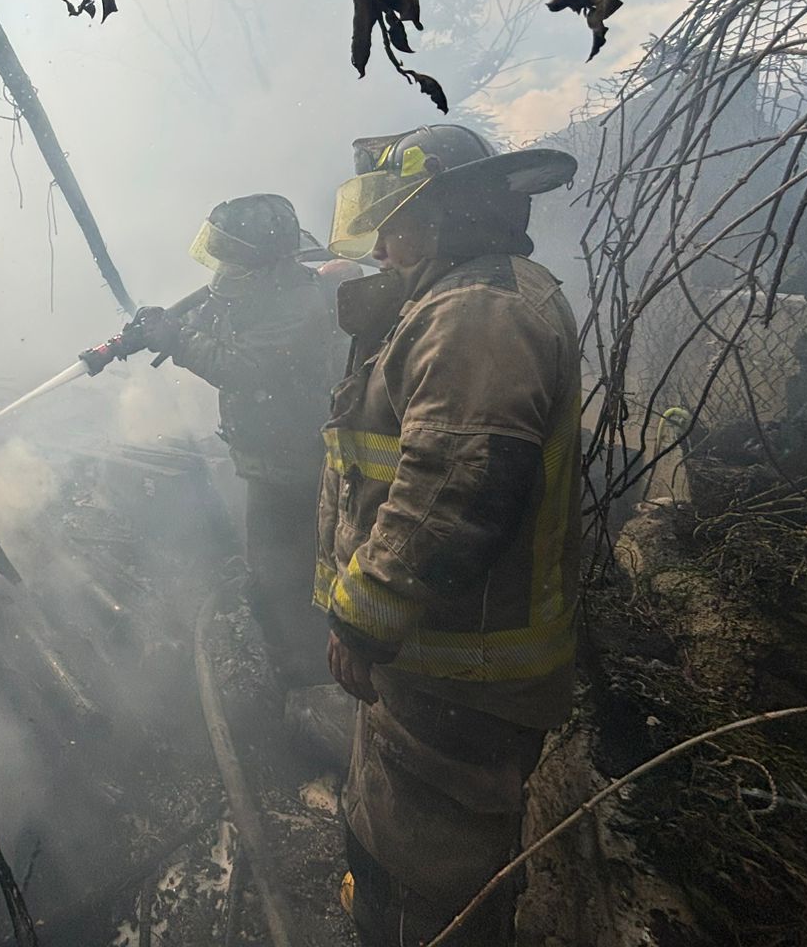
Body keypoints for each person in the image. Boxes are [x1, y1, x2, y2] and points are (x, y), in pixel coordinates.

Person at [313, 125, 581, 945]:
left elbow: (453, 490)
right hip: (438, 658)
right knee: (398, 840)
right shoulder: (459, 301)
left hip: (462, 670)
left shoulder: (477, 315)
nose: (381, 247)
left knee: (428, 881)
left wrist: (365, 614)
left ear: (440, 220)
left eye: (395, 226)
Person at [131, 193, 341, 688]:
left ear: (262, 259)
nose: (225, 268)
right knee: (277, 573)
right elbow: (212, 322)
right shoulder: (258, 289)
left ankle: (308, 682)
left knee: (285, 579)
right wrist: (163, 326)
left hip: (295, 468)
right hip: (270, 460)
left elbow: (241, 366)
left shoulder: (298, 302)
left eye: (234, 257)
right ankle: (297, 664)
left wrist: (177, 339)